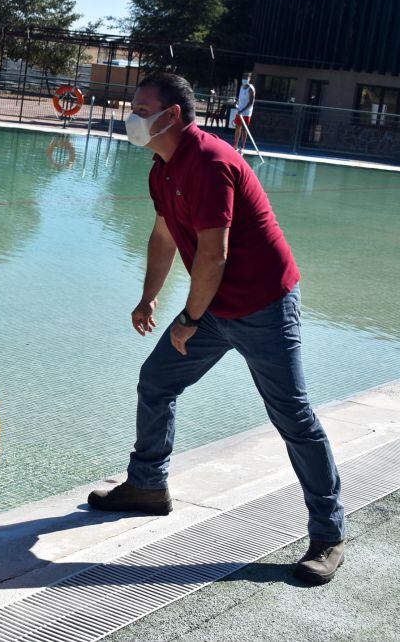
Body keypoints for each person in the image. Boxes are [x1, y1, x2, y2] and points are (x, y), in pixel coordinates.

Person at [90, 73, 346, 585]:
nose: (132, 116)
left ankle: (329, 535)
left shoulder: (209, 163)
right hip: (215, 305)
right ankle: (147, 486)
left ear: (172, 117)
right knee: (157, 381)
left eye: (142, 108)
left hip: (262, 306)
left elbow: (214, 253)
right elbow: (164, 237)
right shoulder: (161, 168)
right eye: (133, 106)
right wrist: (148, 297)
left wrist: (189, 319)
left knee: (292, 416)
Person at [232, 72, 256, 154]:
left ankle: (242, 147)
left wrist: (243, 110)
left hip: (246, 113)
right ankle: (235, 145)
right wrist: (236, 104)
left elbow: (251, 102)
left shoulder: (251, 89)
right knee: (237, 127)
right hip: (240, 111)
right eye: (244, 78)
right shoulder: (242, 87)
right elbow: (240, 99)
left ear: (249, 79)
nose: (244, 79)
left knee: (244, 129)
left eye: (246, 78)